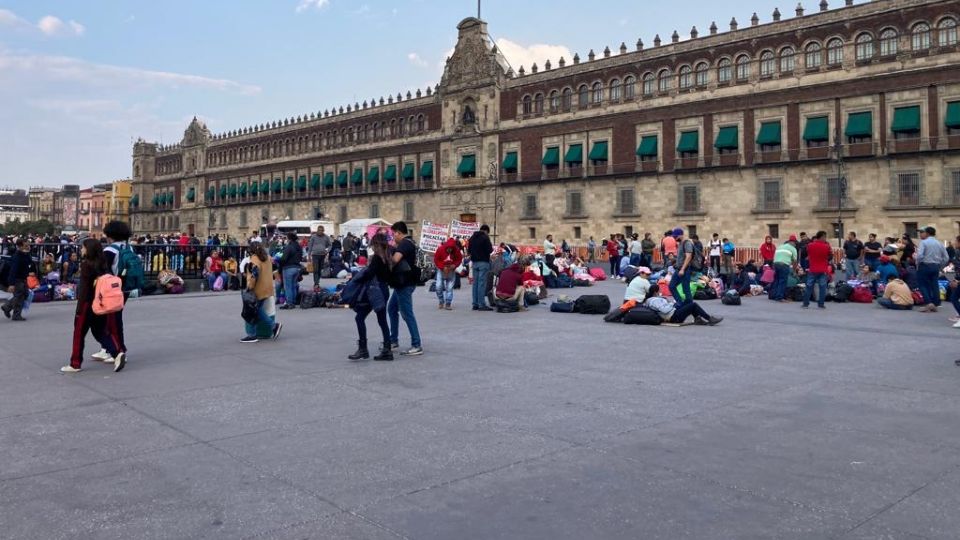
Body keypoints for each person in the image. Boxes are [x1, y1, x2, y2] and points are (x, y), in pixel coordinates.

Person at [60, 238, 125, 373]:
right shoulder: (103, 264)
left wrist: (79, 309)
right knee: (100, 331)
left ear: (88, 249)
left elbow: (84, 289)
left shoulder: (86, 265)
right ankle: (117, 352)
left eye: (83, 247)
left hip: (87, 303)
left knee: (79, 333)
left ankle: (75, 363)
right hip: (101, 303)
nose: (82, 250)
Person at [346, 233, 393, 361]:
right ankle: (387, 349)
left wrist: (357, 276)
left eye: (373, 244)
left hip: (374, 291)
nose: (371, 247)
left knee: (359, 317)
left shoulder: (377, 258)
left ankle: (363, 349)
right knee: (382, 321)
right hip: (383, 290)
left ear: (377, 244)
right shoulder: (388, 258)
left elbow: (369, 274)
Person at [99, 220, 134, 371]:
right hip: (125, 288)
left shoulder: (109, 251)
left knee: (111, 320)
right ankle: (111, 348)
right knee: (115, 318)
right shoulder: (129, 248)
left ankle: (118, 349)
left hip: (111, 290)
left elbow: (103, 271)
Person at [387, 221, 422, 356]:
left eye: (393, 234)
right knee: (392, 308)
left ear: (398, 232)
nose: (392, 237)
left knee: (407, 313)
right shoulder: (409, 242)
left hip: (405, 284)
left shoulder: (405, 244)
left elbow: (395, 260)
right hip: (403, 283)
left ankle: (416, 344)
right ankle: (393, 340)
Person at [240, 242, 282, 343]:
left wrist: (250, 286)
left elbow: (254, 273)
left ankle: (272, 326)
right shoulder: (267, 257)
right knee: (256, 310)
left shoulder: (254, 258)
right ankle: (254, 334)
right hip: (267, 288)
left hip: (258, 289)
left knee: (254, 310)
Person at [644, 285, 723, 325]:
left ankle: (697, 319)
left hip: (673, 313)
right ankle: (709, 319)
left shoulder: (655, 299)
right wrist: (673, 304)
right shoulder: (654, 301)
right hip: (673, 317)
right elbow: (664, 310)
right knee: (693, 305)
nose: (660, 292)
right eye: (659, 291)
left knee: (688, 301)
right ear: (655, 292)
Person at [915, 226, 949, 313]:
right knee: (934, 285)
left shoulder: (924, 242)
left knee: (922, 284)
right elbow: (946, 257)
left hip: (925, 265)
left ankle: (928, 303)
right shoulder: (939, 243)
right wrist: (940, 266)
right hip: (935, 266)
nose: (921, 234)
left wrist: (917, 263)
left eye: (922, 232)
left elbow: (919, 256)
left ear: (927, 233)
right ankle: (935, 303)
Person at [1, 238, 35, 321]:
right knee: (19, 295)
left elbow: (29, 263)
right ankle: (16, 315)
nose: (28, 247)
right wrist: (11, 284)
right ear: (20, 246)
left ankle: (7, 307)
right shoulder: (17, 257)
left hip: (23, 278)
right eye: (26, 245)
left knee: (24, 295)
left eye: (28, 245)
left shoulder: (25, 255)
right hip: (17, 279)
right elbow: (13, 271)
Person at [802, 231, 832, 309]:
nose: (825, 239)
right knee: (822, 287)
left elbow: (806, 254)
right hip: (823, 269)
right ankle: (821, 304)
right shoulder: (827, 246)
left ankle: (805, 303)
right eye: (825, 237)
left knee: (809, 286)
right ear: (822, 237)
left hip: (813, 268)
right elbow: (830, 256)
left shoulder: (810, 245)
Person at [467, 224, 493, 311]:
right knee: (481, 284)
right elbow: (490, 250)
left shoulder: (472, 238)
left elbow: (469, 250)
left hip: (474, 263)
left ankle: (475, 304)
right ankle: (481, 304)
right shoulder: (485, 238)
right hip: (483, 262)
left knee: (475, 284)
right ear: (486, 231)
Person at [433, 238, 462, 310]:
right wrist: (442, 267)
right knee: (438, 286)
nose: (450, 250)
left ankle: (448, 303)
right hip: (441, 270)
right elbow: (436, 260)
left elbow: (459, 259)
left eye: (451, 249)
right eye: (448, 248)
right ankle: (441, 301)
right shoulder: (440, 249)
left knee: (449, 288)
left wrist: (454, 265)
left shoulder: (457, 251)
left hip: (451, 270)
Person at [669, 228, 695, 307]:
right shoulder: (680, 243)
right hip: (679, 269)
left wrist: (683, 269)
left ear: (681, 235)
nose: (674, 238)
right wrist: (674, 259)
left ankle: (690, 306)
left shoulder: (687, 243)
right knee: (672, 286)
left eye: (676, 236)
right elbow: (682, 257)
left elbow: (688, 256)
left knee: (686, 289)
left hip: (684, 269)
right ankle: (681, 303)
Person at [770, 235, 799, 302]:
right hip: (784, 264)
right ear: (793, 242)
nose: (795, 245)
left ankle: (773, 295)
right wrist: (794, 271)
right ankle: (780, 297)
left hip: (775, 263)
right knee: (783, 281)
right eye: (795, 243)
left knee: (776, 280)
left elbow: (775, 256)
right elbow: (795, 261)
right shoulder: (793, 249)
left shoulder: (780, 246)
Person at [278, 232, 302, 309]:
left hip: (288, 268)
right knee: (294, 285)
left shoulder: (289, 247)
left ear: (289, 238)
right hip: (297, 267)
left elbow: (284, 258)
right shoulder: (298, 247)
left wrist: (279, 262)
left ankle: (289, 302)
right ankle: (293, 301)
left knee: (288, 286)